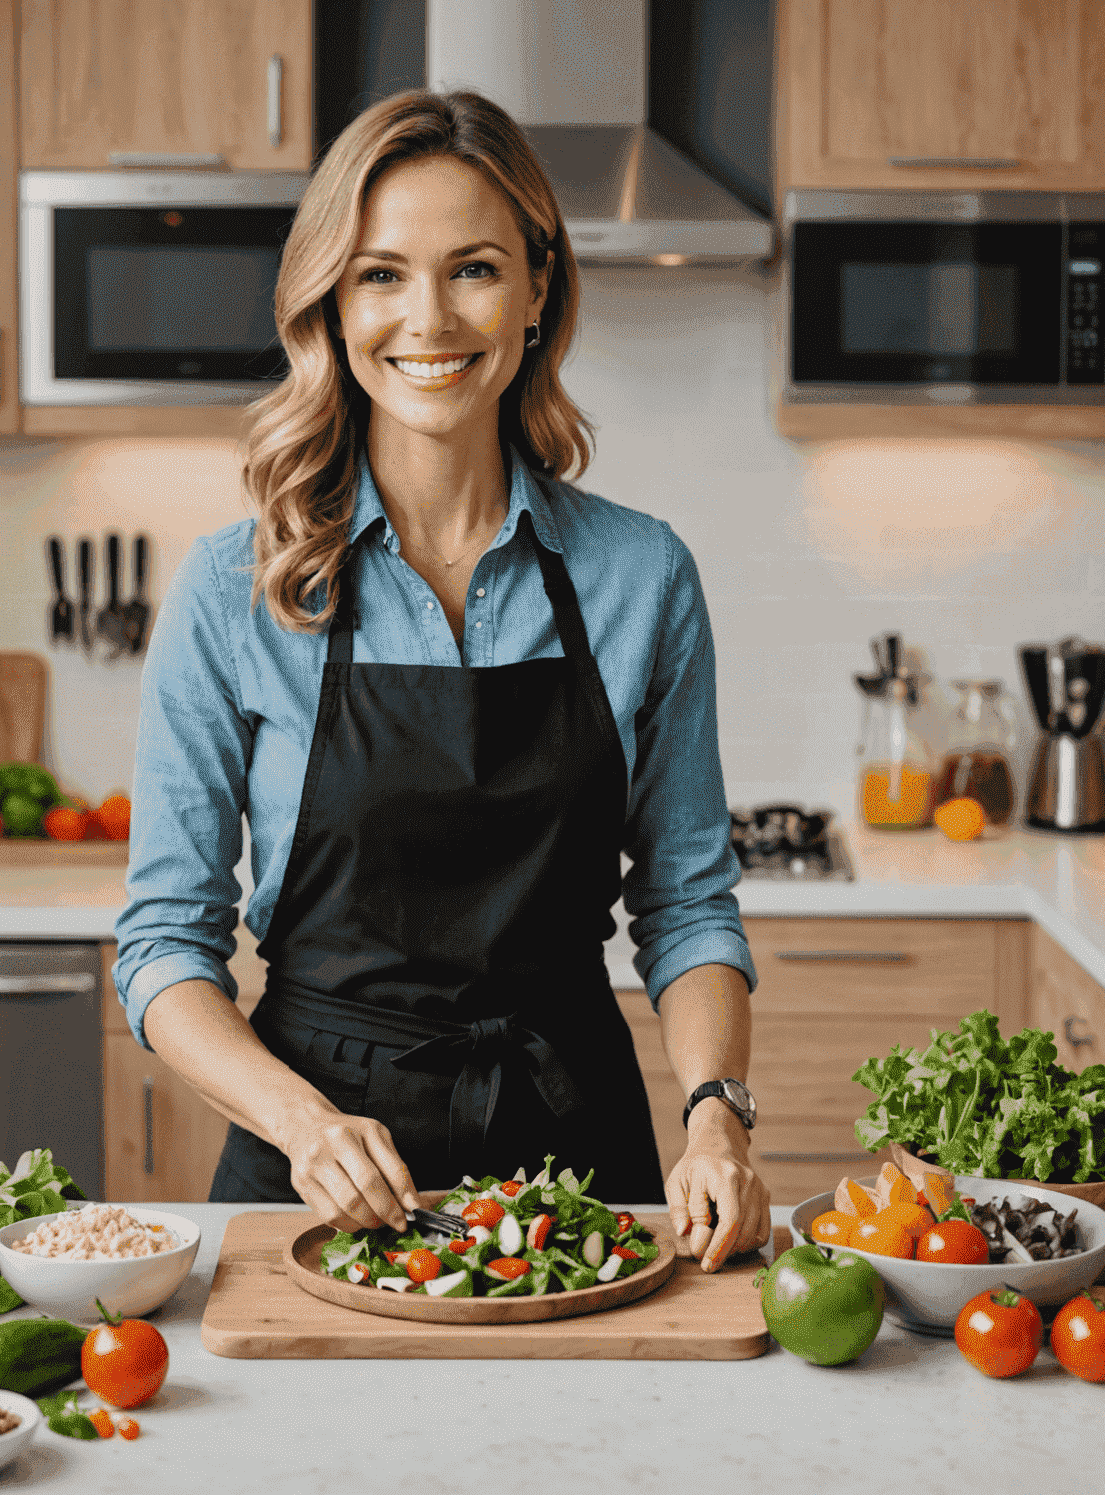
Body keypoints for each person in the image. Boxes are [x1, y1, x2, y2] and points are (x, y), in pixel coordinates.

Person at [114, 90, 770, 1270]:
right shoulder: (236, 587)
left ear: (535, 293)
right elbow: (164, 944)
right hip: (313, 1179)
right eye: (379, 275)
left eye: (472, 268)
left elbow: (686, 903)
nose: (427, 317)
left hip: (587, 1172)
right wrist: (300, 1121)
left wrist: (718, 1111)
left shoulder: (641, 576)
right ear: (332, 300)